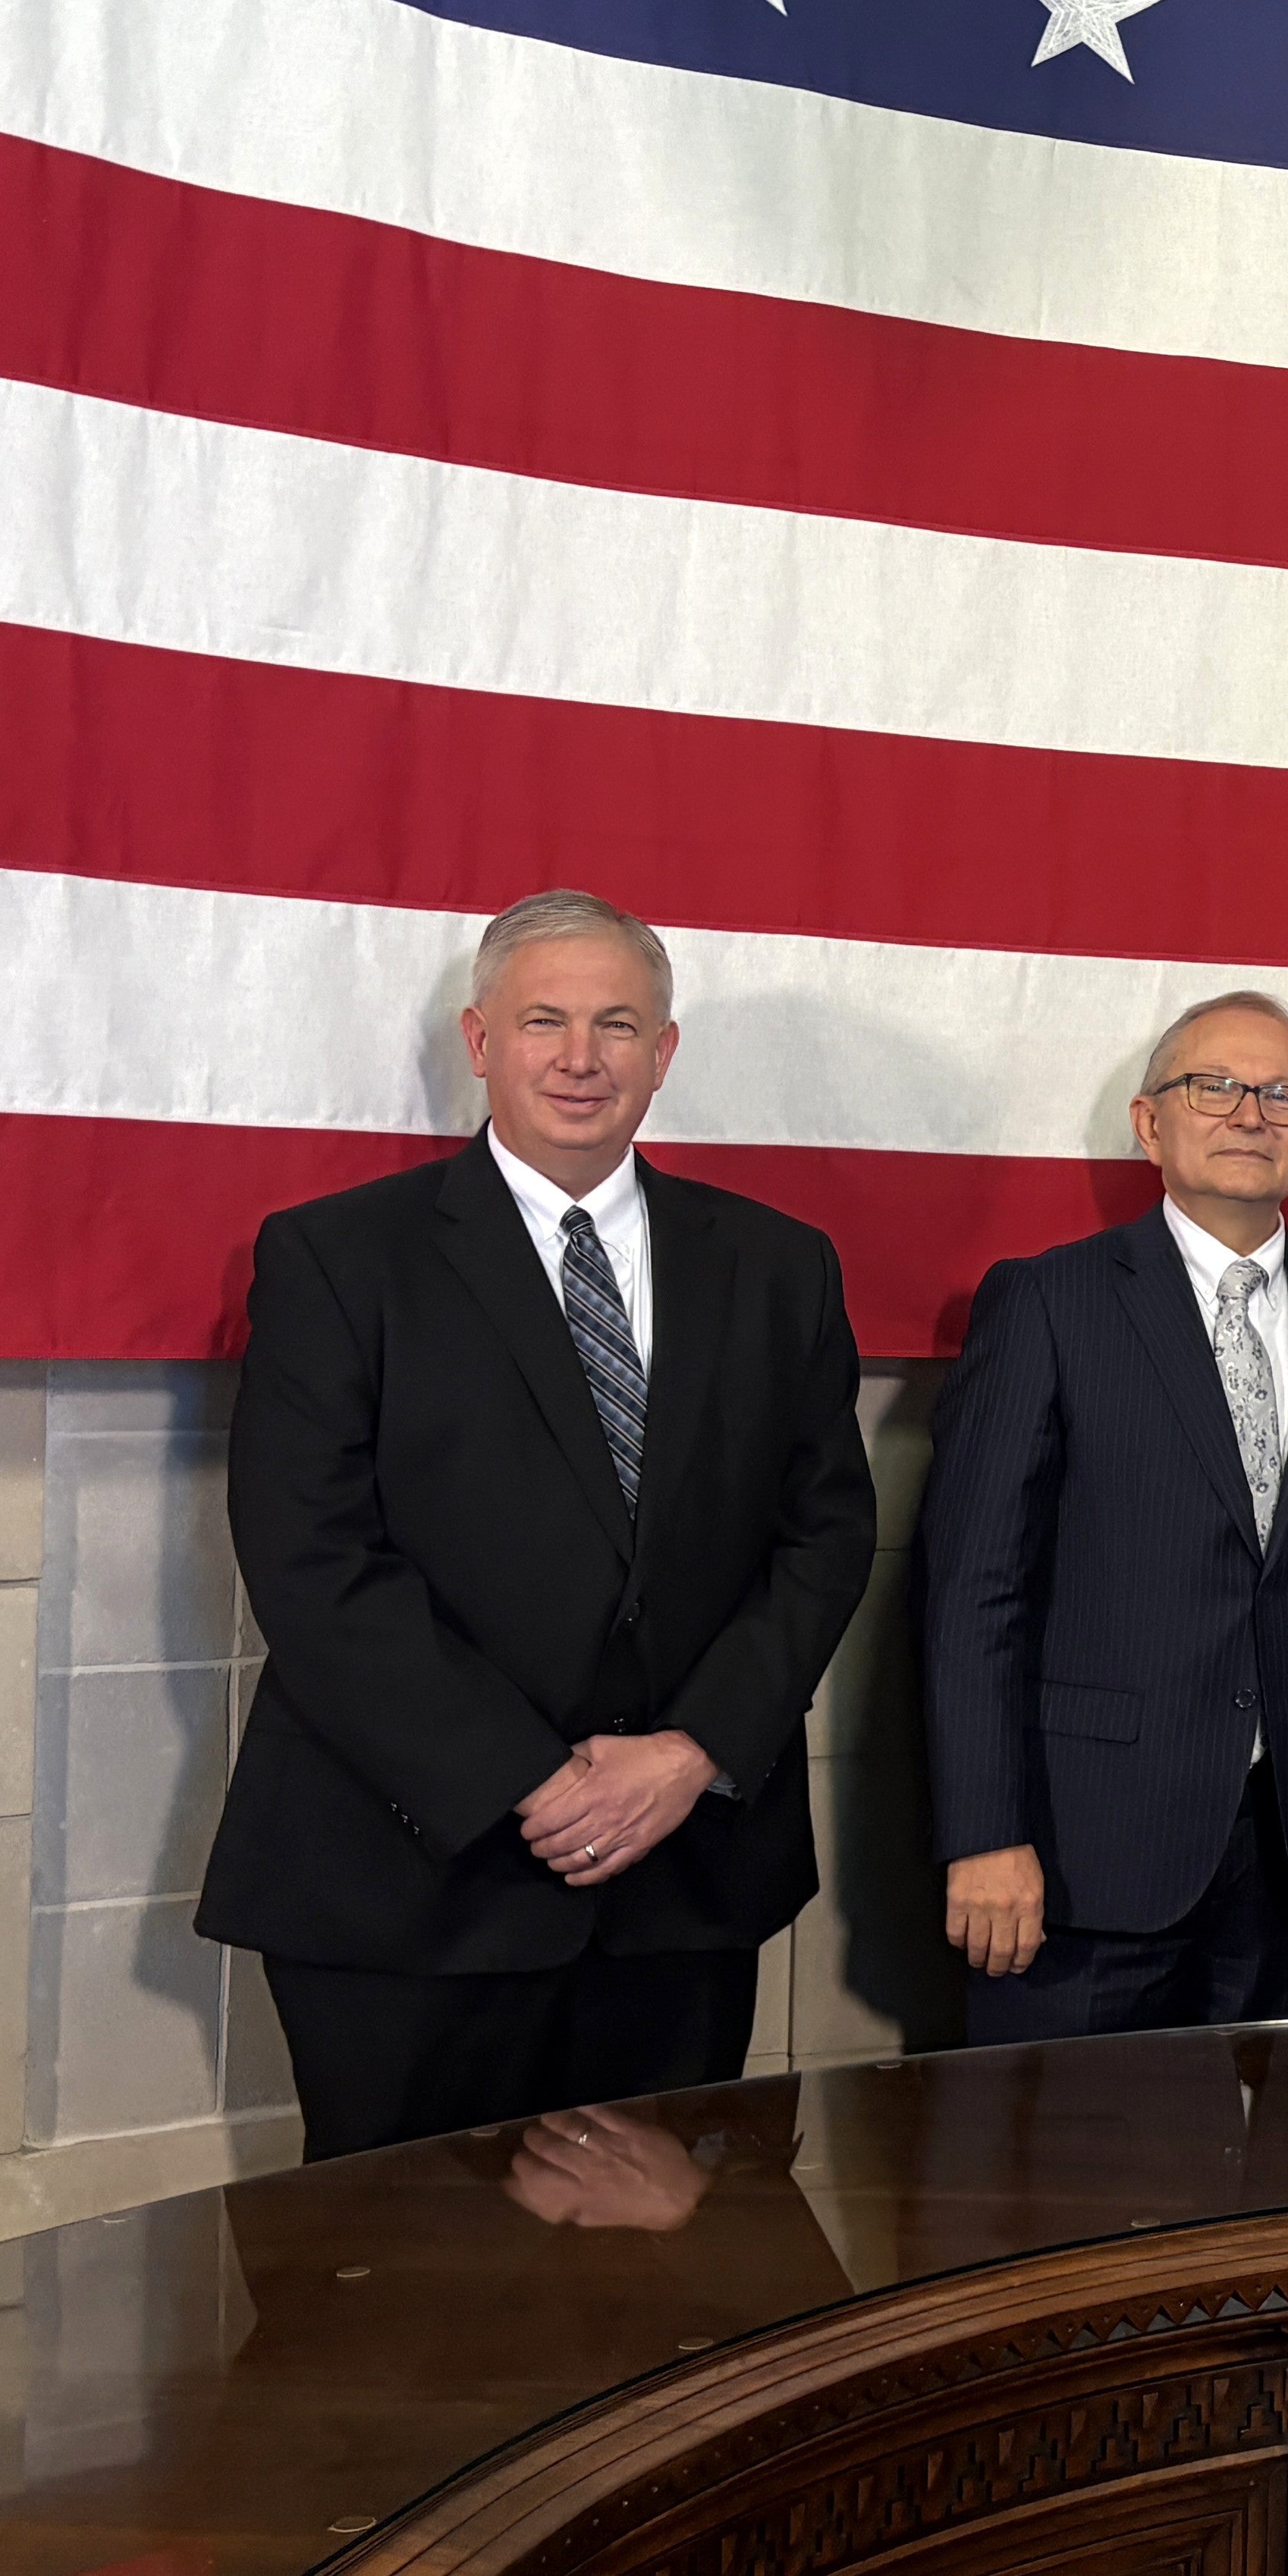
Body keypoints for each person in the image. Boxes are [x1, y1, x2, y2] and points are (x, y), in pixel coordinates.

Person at [199, 890, 874, 2159]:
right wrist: (534, 1783)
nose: (580, 1057)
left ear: (663, 1053)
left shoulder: (780, 1266)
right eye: (544, 1021)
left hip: (684, 1890)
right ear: (479, 1039)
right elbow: (312, 1558)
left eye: (618, 1025)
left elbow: (825, 1534)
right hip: (412, 1889)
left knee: (668, 2312)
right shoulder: (341, 1258)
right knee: (404, 2314)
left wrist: (690, 1753)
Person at [919, 992, 1288, 2038]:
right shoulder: (1049, 1302)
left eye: (1285, 1097)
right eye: (1216, 1087)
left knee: (1278, 2188)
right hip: (1081, 1853)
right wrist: (983, 1835)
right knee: (1067, 2178)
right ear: (1150, 1123)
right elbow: (974, 1593)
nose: (1251, 1114)